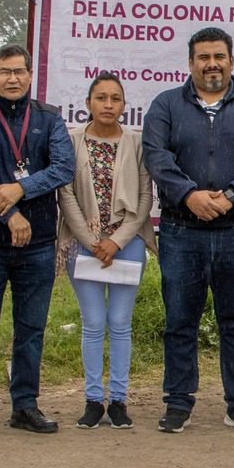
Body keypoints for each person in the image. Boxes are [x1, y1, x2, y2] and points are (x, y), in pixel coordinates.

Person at [142, 27, 234, 435]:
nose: (212, 64)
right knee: (179, 320)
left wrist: (231, 196)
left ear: (232, 62)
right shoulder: (166, 105)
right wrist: (190, 196)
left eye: (219, 56)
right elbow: (156, 155)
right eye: (203, 57)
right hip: (181, 231)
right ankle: (178, 403)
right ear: (190, 63)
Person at [0, 44, 76, 437]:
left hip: (37, 242)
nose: (12, 79)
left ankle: (25, 405)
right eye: (4, 72)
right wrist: (8, 213)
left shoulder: (50, 118)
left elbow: (62, 167)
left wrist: (20, 190)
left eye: (19, 72)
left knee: (31, 329)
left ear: (29, 75)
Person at [57, 72, 154, 429]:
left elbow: (145, 197)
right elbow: (65, 194)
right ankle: (94, 399)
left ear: (124, 105)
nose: (108, 105)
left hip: (125, 245)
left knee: (120, 324)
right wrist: (90, 240)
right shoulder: (71, 141)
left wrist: (117, 241)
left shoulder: (136, 143)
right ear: (88, 103)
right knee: (94, 323)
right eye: (101, 98)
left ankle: (119, 399)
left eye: (115, 98)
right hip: (84, 246)